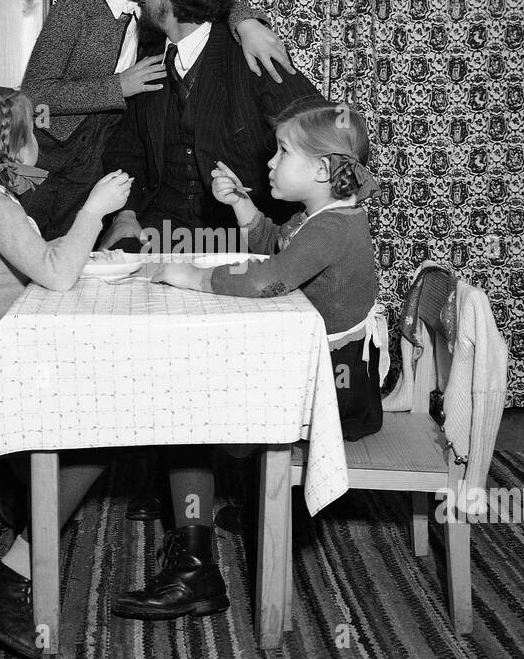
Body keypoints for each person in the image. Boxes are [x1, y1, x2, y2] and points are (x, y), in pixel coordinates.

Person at [99, 0, 325, 621]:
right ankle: (189, 515)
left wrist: (269, 214)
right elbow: (131, 154)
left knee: (186, 385)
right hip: (168, 245)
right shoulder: (151, 60)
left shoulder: (249, 55)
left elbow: (331, 148)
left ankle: (195, 553)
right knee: (156, 374)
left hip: (248, 252)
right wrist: (130, 215)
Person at [0, 86, 131, 659]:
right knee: (98, 431)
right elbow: (55, 278)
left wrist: (89, 248)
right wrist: (93, 211)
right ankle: (9, 573)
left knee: (93, 415)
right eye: (36, 131)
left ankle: (33, 509)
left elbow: (34, 259)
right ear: (17, 148)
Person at [19, 0, 294, 239]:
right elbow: (34, 94)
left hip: (128, 150)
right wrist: (117, 86)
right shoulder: (74, 11)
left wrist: (247, 22)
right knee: (56, 240)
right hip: (65, 153)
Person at [150, 96, 387, 440]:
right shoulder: (320, 216)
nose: (271, 162)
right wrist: (240, 203)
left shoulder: (332, 228)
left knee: (218, 389)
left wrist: (193, 277)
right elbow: (275, 247)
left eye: (284, 152)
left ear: (322, 170)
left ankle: (237, 465)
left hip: (337, 387)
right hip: (325, 368)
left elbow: (267, 282)